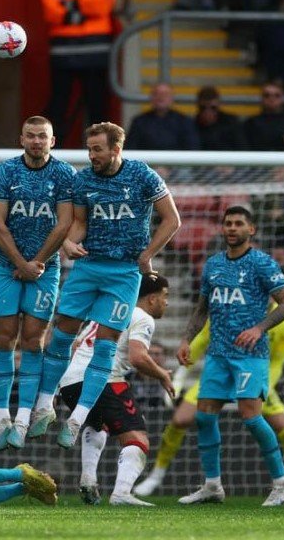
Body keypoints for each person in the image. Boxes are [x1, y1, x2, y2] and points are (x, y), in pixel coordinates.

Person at [27, 121, 181, 449]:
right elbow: (79, 223)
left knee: (106, 346)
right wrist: (68, 243)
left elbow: (172, 219)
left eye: (97, 149)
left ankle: (77, 419)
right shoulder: (83, 180)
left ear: (116, 149)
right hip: (89, 267)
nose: (92, 155)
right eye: (89, 149)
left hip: (125, 273)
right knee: (61, 334)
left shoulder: (142, 175)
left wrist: (147, 255)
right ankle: (43, 407)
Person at [135, 312, 284, 499]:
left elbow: (278, 360)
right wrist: (181, 376)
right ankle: (156, 475)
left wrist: (262, 385)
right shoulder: (226, 308)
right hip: (221, 374)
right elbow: (202, 340)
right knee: (180, 420)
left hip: (257, 376)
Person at [176, 205, 284, 507]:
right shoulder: (213, 264)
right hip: (218, 353)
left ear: (250, 230)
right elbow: (203, 308)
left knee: (251, 417)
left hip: (250, 354)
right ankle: (213, 485)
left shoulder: (262, 263)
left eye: (239, 223)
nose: (232, 228)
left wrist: (259, 328)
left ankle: (282, 483)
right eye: (228, 223)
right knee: (204, 416)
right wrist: (187, 339)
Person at [0, 116, 75, 450]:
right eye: (31, 136)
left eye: (43, 136)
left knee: (33, 341)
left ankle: (23, 418)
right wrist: (21, 263)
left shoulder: (65, 174)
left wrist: (35, 262)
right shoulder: (5, 171)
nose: (37, 141)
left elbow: (64, 223)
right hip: (5, 266)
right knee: (5, 339)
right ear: (20, 139)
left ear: (53, 141)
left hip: (44, 268)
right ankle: (1, 417)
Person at [59, 275, 174, 506]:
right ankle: (121, 494)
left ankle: (89, 481)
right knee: (138, 439)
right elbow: (138, 356)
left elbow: (75, 345)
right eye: (165, 296)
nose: (167, 302)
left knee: (98, 425)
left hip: (69, 382)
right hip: (104, 379)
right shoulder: (143, 317)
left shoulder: (109, 310)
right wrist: (162, 374)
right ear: (152, 299)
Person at [41, 0, 115, 146]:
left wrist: (70, 4)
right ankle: (49, 151)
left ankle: (100, 149)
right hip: (62, 50)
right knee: (58, 105)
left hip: (96, 49)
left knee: (97, 105)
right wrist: (84, 8)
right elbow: (51, 12)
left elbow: (101, 6)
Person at [125, 83, 200, 151]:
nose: (160, 97)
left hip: (177, 165)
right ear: (151, 98)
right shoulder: (139, 122)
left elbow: (192, 148)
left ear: (172, 98)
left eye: (165, 94)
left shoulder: (184, 121)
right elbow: (131, 148)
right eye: (156, 94)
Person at [243, 82, 284, 150]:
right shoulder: (251, 123)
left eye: (277, 95)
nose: (271, 99)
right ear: (262, 98)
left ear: (283, 98)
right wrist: (282, 140)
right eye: (267, 95)